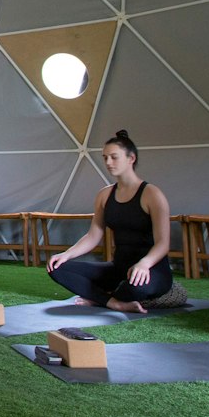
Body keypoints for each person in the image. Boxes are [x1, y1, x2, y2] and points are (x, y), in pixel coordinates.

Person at [47, 129, 172, 312]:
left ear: (131, 158)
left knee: (135, 287)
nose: (108, 162)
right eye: (105, 157)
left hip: (150, 270)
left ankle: (100, 297)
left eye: (114, 157)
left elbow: (163, 244)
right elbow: (92, 236)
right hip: (118, 268)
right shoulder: (104, 195)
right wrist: (66, 254)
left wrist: (144, 264)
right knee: (56, 267)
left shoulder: (152, 194)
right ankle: (113, 302)